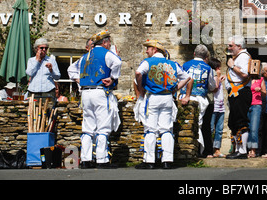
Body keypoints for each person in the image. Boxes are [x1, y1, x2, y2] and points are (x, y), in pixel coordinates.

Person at [135, 39, 190, 169]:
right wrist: (175, 89)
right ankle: (167, 160)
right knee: (166, 129)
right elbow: (187, 77)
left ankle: (149, 161)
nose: (147, 50)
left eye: (148, 48)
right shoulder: (172, 64)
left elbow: (138, 73)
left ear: (155, 49)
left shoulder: (148, 62)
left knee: (150, 129)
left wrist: (141, 87)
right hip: (167, 97)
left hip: (153, 96)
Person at [78, 30, 122, 169]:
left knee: (88, 127)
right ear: (104, 42)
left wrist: (79, 81)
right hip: (99, 91)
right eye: (109, 42)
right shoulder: (106, 53)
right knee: (103, 126)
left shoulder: (85, 56)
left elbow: (71, 70)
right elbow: (117, 62)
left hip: (85, 93)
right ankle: (101, 160)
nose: (109, 44)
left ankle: (85, 159)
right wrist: (113, 78)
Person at [179, 44, 216, 156]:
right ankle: (198, 150)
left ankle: (186, 149)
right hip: (200, 98)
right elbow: (212, 86)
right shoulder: (208, 68)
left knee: (184, 122)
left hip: (185, 96)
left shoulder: (185, 65)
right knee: (198, 123)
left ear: (194, 53)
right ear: (205, 56)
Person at [225, 35, 252, 159]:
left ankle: (242, 151)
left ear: (239, 46)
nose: (228, 48)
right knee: (233, 122)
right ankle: (237, 149)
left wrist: (231, 66)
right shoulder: (238, 57)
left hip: (241, 92)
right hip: (235, 93)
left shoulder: (244, 57)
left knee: (241, 121)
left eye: (231, 45)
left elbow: (244, 75)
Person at [208, 57, 226, 158]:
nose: (219, 70)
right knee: (211, 128)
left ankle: (217, 149)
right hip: (213, 104)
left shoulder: (217, 76)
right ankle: (210, 148)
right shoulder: (212, 75)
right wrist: (218, 78)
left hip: (220, 105)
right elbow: (214, 88)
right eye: (218, 68)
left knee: (219, 129)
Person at [248, 65, 266, 158]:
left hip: (256, 105)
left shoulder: (261, 79)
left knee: (254, 128)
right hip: (247, 105)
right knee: (247, 128)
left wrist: (260, 91)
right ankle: (247, 149)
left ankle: (253, 150)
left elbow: (264, 93)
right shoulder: (247, 79)